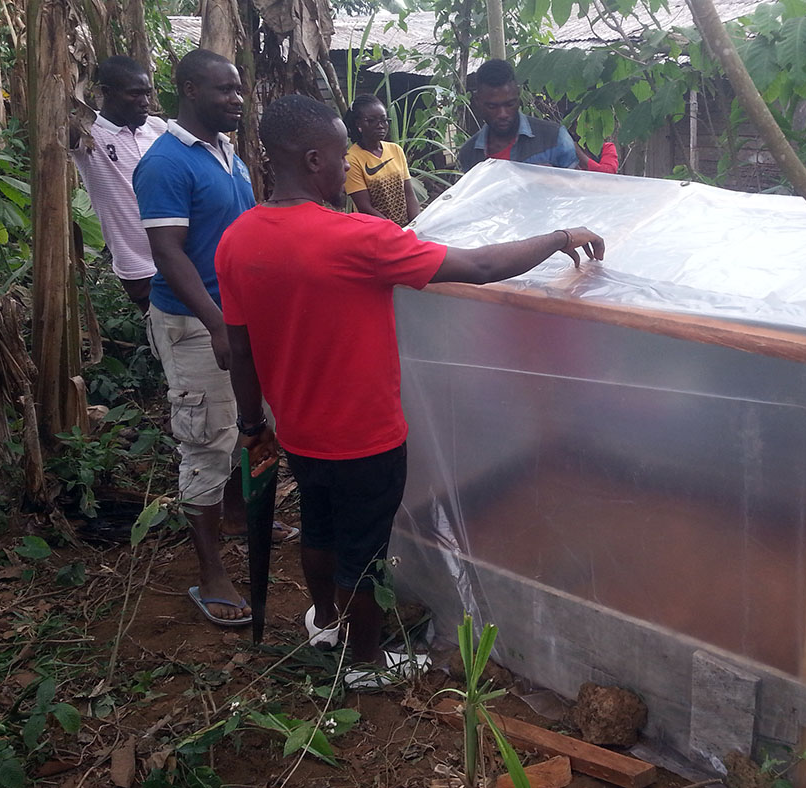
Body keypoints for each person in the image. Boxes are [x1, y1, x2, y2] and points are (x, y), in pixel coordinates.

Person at [215, 94, 604, 684]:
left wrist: (252, 425)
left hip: (297, 429)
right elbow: (475, 268)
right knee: (365, 553)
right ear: (314, 157)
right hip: (365, 436)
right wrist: (558, 236)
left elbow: (239, 349)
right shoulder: (358, 239)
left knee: (319, 526)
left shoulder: (237, 239)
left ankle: (324, 622)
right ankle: (367, 663)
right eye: (341, 155)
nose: (349, 167)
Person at [133, 49, 295, 629]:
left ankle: (237, 515)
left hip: (239, 316)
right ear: (188, 89)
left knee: (250, 423)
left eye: (239, 88)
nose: (237, 98)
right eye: (225, 90)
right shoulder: (165, 163)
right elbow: (167, 252)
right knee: (205, 437)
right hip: (194, 322)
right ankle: (211, 574)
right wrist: (216, 320)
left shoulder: (228, 153)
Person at [70, 56, 166, 312]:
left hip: (183, 254)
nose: (145, 103)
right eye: (135, 94)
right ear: (106, 93)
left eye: (147, 94)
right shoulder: (88, 132)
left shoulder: (157, 129)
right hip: (139, 265)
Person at [457, 59, 582, 172]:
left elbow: (578, 190)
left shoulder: (554, 137)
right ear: (478, 101)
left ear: (518, 95)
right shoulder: (469, 154)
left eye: (510, 104)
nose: (502, 114)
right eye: (492, 107)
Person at [344, 94, 420, 226]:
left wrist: (416, 224)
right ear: (358, 124)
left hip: (406, 229)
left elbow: (409, 194)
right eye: (372, 120)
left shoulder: (395, 150)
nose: (380, 125)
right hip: (377, 230)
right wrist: (394, 230)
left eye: (384, 120)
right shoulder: (352, 159)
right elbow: (364, 207)